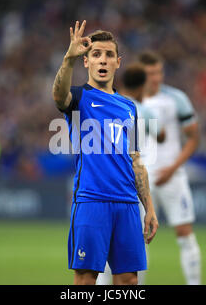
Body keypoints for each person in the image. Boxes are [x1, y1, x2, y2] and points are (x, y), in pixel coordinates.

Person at [51, 21, 159, 285]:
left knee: (128, 282)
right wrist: (68, 59)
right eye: (96, 54)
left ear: (117, 63)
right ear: (86, 62)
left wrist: (150, 209)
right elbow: (58, 96)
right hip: (92, 202)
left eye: (109, 55)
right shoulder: (78, 98)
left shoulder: (129, 108)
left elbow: (136, 161)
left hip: (127, 205)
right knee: (86, 281)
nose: (103, 60)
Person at [96, 62, 164, 285]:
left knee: (103, 245)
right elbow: (161, 135)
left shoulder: (107, 105)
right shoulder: (141, 110)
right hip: (137, 181)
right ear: (142, 87)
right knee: (138, 244)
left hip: (107, 182)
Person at [138, 51, 202, 285]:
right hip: (140, 179)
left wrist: (173, 168)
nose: (156, 77)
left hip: (172, 176)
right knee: (137, 239)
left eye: (159, 72)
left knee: (185, 235)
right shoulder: (128, 101)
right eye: (150, 73)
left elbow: (194, 138)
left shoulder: (177, 99)